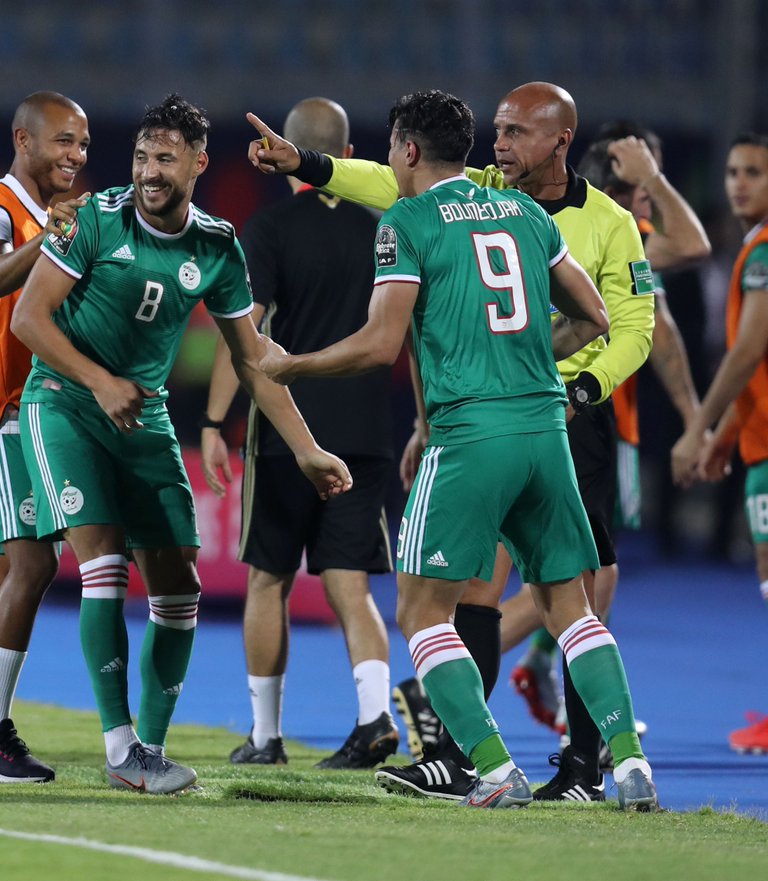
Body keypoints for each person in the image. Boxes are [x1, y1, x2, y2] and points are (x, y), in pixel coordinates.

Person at [248, 81, 656, 802]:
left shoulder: (407, 221)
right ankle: (629, 765)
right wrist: (528, 357)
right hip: (545, 430)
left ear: (408, 151)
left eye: (391, 150)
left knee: (420, 610)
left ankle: (492, 768)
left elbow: (380, 345)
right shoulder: (526, 213)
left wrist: (293, 364)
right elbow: (597, 317)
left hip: (470, 435)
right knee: (572, 608)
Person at [10, 94, 352, 795]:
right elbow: (29, 318)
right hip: (65, 404)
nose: (148, 171)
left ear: (198, 163)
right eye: (141, 156)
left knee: (180, 589)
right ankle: (119, 748)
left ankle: (151, 749)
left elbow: (252, 359)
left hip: (144, 416)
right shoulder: (96, 219)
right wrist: (100, 380)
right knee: (104, 567)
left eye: (164, 159)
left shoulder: (217, 246)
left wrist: (307, 447)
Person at [200, 97, 398, 769]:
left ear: (285, 154)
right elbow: (413, 334)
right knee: (350, 584)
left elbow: (244, 333)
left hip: (287, 431)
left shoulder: (270, 229)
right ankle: (374, 718)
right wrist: (425, 423)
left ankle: (266, 736)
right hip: (366, 429)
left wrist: (213, 421)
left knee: (268, 579)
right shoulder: (385, 229)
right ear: (349, 156)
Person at [507, 126, 710, 734]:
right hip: (584, 414)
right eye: (643, 187)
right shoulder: (613, 231)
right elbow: (693, 246)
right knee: (587, 575)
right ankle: (587, 718)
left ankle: (541, 677)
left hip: (544, 410)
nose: (651, 198)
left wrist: (693, 418)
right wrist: (652, 176)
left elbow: (661, 331)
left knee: (560, 572)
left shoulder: (596, 233)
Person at [0, 92, 91, 783]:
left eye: (82, 144)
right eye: (63, 141)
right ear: (23, 140)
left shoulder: (37, 213)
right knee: (33, 564)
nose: (75, 155)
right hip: (1, 415)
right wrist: (50, 237)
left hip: (10, 414)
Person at [672, 133, 768, 754]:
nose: (739, 183)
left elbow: (748, 350)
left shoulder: (763, 251)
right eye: (732, 171)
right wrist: (726, 435)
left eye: (754, 172)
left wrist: (698, 427)